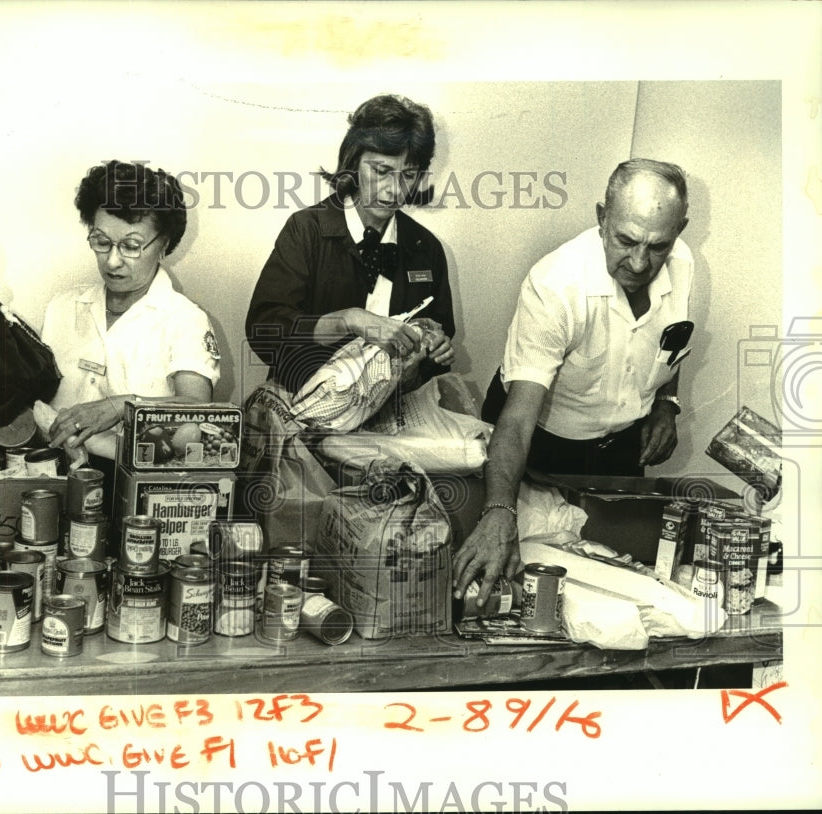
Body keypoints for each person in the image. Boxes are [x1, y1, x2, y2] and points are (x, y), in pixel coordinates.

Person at [455, 158, 693, 607]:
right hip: (538, 442)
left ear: (679, 230)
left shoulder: (682, 262)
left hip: (618, 450)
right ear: (601, 217)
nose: (641, 262)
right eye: (626, 240)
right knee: (517, 583)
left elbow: (670, 338)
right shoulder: (556, 284)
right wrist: (499, 511)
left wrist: (667, 402)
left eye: (657, 246)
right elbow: (519, 418)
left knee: (617, 580)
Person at [245, 94, 456, 396]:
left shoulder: (427, 248)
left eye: (408, 175)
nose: (395, 190)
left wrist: (434, 352)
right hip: (305, 408)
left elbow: (439, 339)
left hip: (393, 412)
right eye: (381, 171)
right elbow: (263, 332)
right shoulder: (306, 229)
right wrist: (348, 320)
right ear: (353, 162)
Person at [41, 160, 220, 478]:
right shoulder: (62, 307)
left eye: (131, 246)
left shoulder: (184, 320)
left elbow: (197, 409)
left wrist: (120, 407)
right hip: (52, 473)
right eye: (101, 242)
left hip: (137, 482)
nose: (112, 260)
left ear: (163, 244)